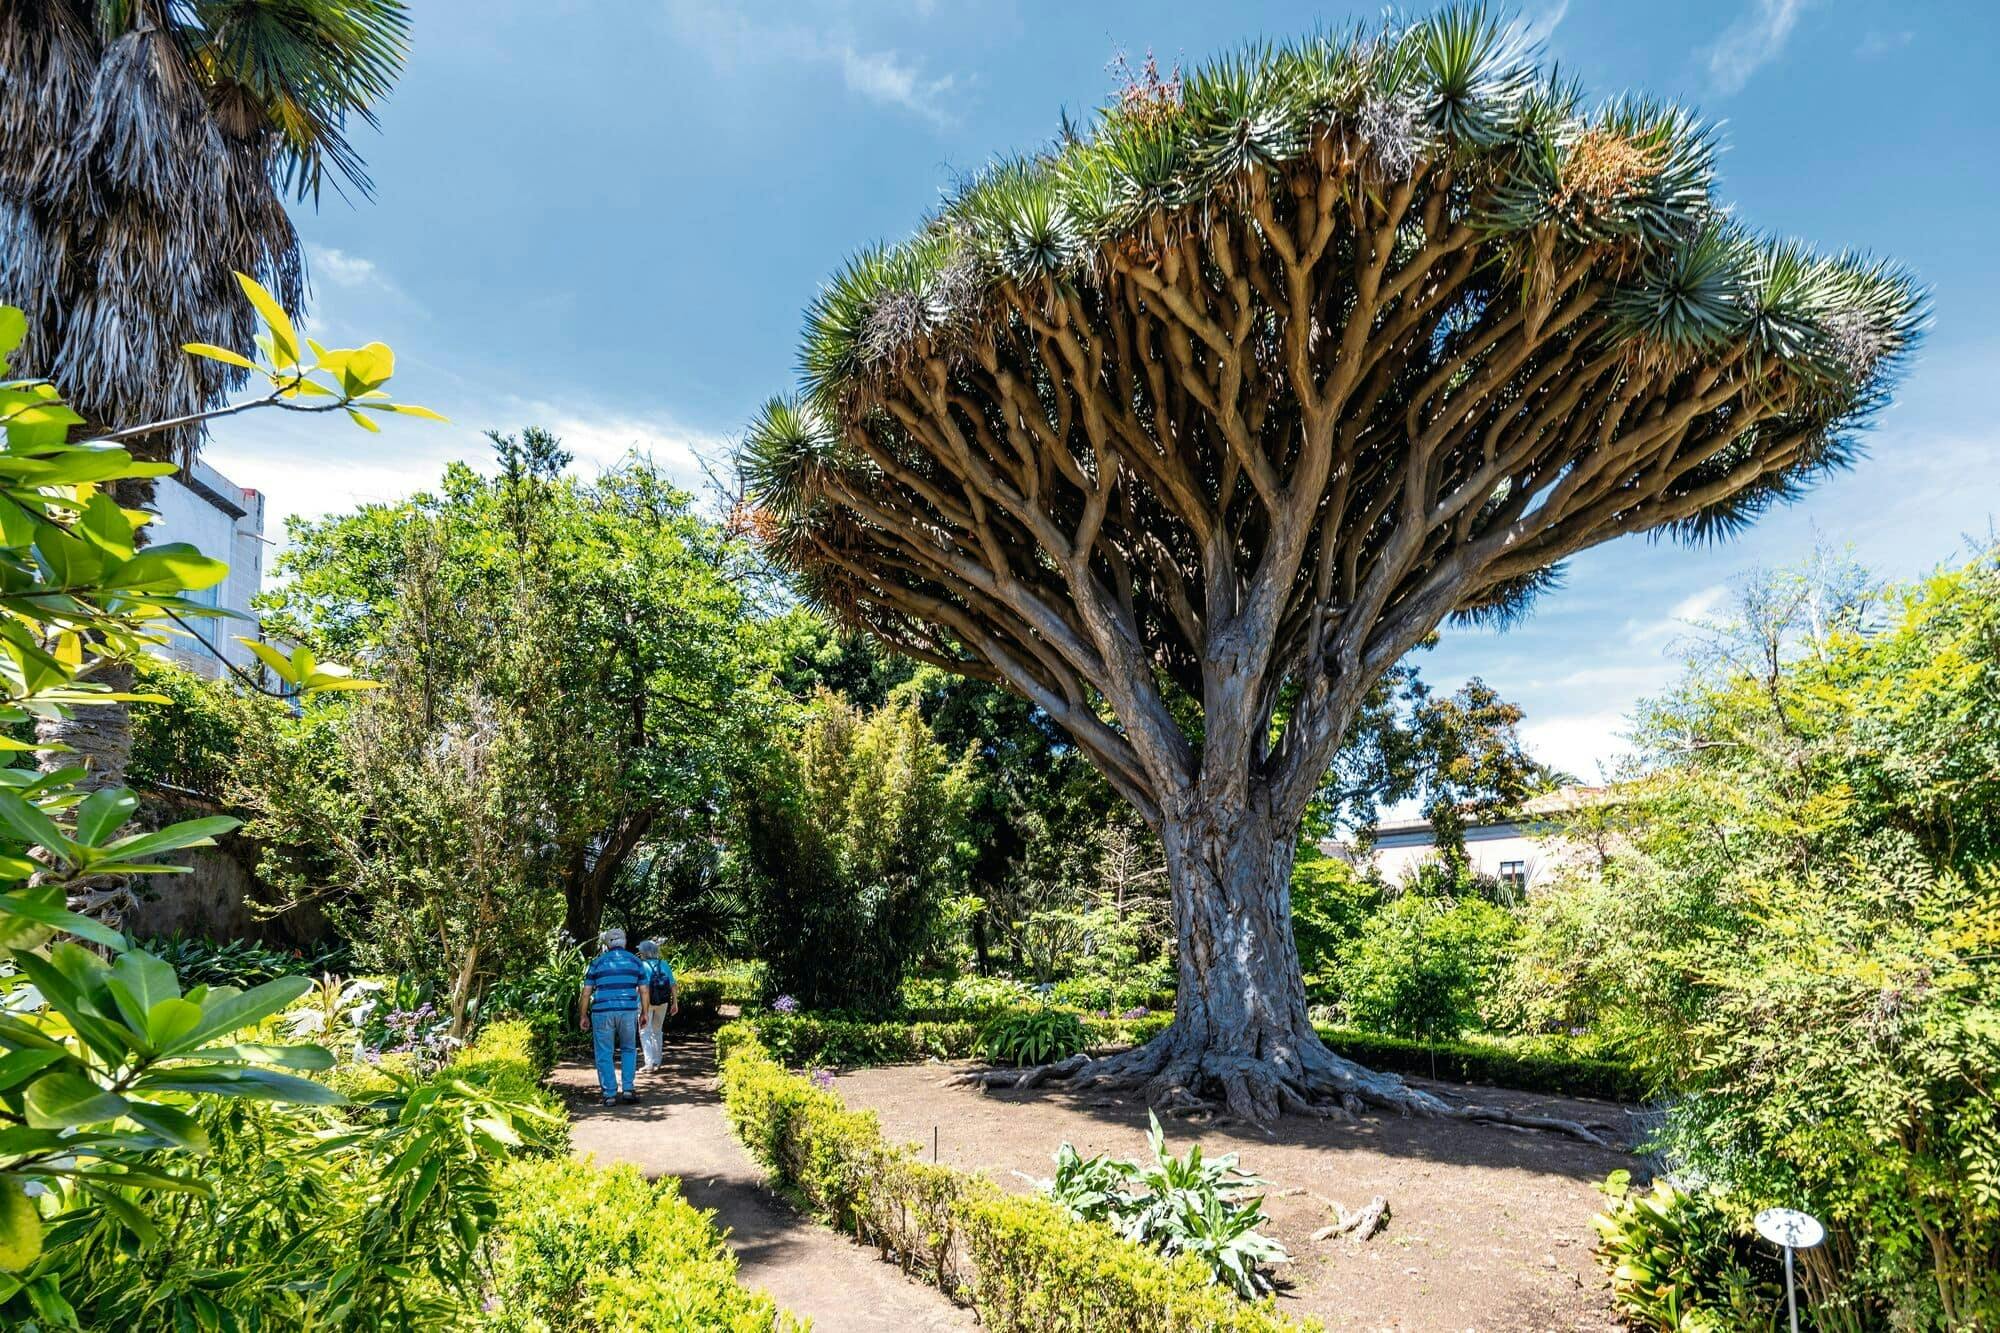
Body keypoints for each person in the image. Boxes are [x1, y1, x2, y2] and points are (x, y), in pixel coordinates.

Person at [580, 927, 648, 1106]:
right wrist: (645, 1013)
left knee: (604, 1052)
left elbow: (586, 992)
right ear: (624, 942)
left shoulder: (597, 963)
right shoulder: (635, 962)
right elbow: (644, 990)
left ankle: (609, 1094)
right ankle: (628, 1089)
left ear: (606, 944)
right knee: (628, 1049)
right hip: (627, 1011)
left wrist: (583, 1015)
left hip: (602, 1012)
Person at [636, 939, 678, 1072]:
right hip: (663, 1002)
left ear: (644, 952)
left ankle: (648, 1063)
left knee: (644, 1031)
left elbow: (641, 987)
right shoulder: (664, 964)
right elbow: (673, 984)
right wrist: (675, 1002)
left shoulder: (642, 965)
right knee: (657, 1031)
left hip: (646, 1003)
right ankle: (657, 1061)